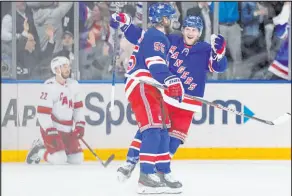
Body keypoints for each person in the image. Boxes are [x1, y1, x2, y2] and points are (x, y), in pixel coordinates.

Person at [111, 13, 228, 186]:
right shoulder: (171, 40)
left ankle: (162, 171)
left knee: (173, 141)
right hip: (166, 96)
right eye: (187, 28)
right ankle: (130, 162)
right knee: (151, 130)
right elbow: (144, 38)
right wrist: (126, 24)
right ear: (182, 29)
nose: (190, 32)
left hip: (188, 104)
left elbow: (219, 67)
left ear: (200, 32)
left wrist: (219, 55)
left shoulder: (204, 49)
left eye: (194, 30)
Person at [112, 2, 184, 194]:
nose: (174, 20)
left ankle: (160, 172)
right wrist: (171, 80)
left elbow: (136, 35)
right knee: (152, 128)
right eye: (171, 17)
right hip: (142, 83)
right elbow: (155, 63)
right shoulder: (157, 36)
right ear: (164, 19)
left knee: (162, 129)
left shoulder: (150, 35)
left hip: (152, 85)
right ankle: (146, 177)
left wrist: (125, 23)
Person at [25, 56, 86, 165]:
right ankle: (38, 151)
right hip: (53, 130)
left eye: (68, 66)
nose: (68, 69)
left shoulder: (74, 85)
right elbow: (42, 113)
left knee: (77, 159)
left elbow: (78, 108)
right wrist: (49, 129)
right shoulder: (49, 87)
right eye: (64, 67)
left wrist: (80, 125)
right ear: (56, 69)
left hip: (68, 130)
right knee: (59, 160)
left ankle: (61, 149)